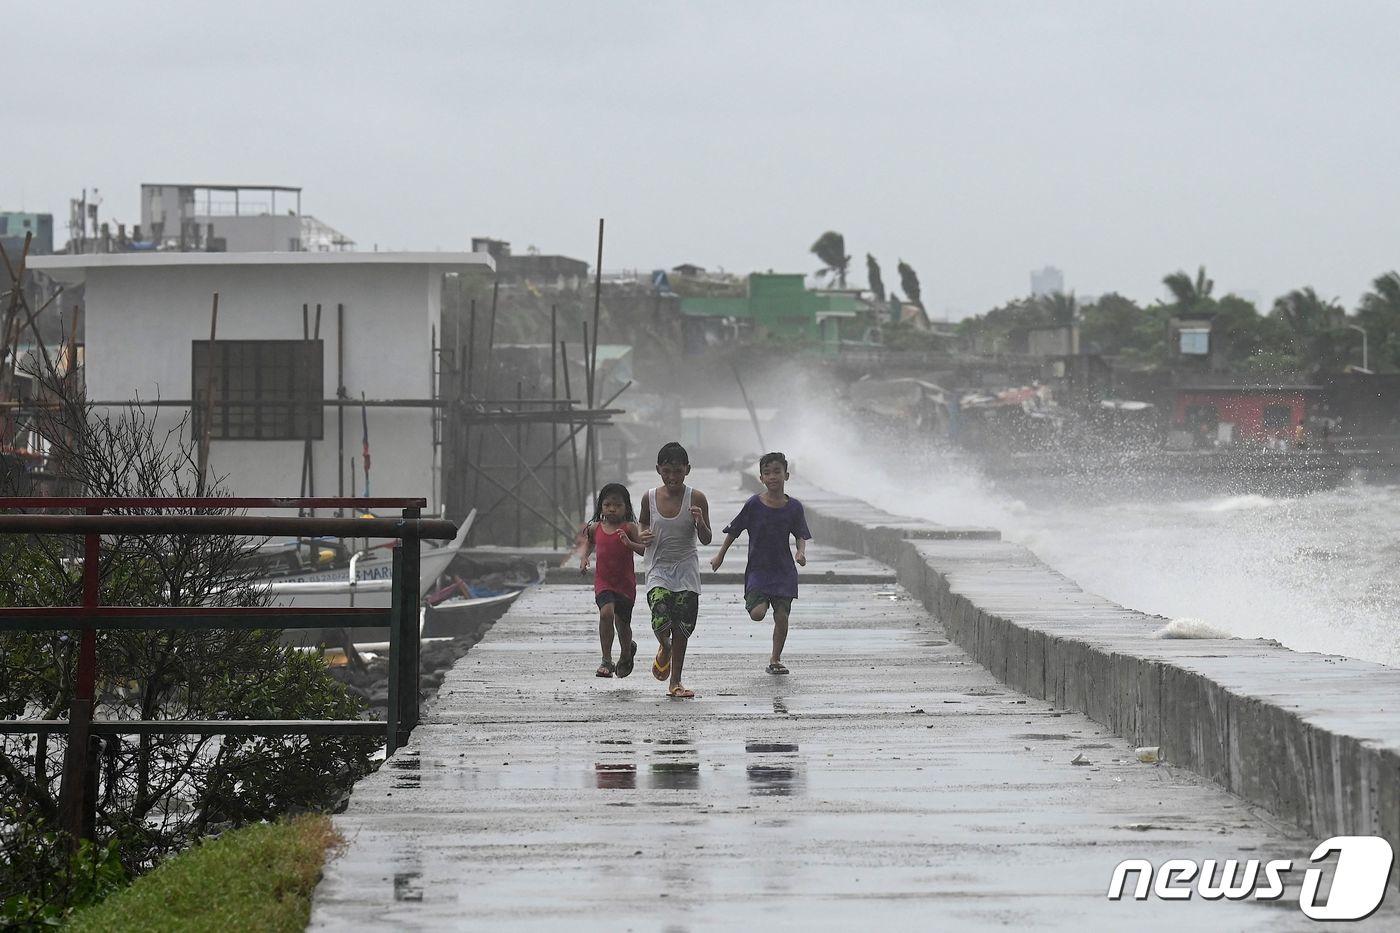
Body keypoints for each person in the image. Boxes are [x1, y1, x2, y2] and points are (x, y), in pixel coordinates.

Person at [710, 452, 811, 675]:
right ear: (761, 478)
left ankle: (775, 659)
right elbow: (734, 531)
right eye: (767, 473)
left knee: (782, 616)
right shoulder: (754, 504)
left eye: (777, 472)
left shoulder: (794, 507)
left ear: (787, 475)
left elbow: (800, 533)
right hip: (758, 568)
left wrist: (801, 552)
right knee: (757, 613)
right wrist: (720, 555)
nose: (772, 476)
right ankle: (757, 600)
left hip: (784, 570)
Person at [638, 441, 711, 699]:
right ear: (658, 469)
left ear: (687, 469)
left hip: (686, 571)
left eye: (677, 471)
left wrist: (700, 522)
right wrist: (642, 534)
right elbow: (643, 521)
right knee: (660, 616)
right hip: (658, 568)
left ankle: (675, 682)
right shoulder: (649, 497)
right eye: (667, 471)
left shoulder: (697, 498)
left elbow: (706, 539)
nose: (672, 477)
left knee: (682, 628)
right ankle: (664, 647)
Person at [580, 483, 646, 678]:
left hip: (625, 585)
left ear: (626, 507)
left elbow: (644, 551)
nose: (611, 509)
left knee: (623, 624)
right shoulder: (594, 528)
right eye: (607, 504)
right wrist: (584, 559)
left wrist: (630, 543)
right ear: (601, 507)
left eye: (617, 505)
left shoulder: (630, 527)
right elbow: (590, 543)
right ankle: (606, 660)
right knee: (606, 614)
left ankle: (627, 652)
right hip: (604, 582)